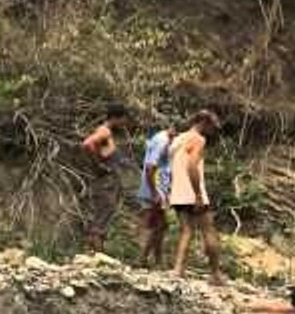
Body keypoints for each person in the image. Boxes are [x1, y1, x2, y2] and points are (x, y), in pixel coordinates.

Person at [169, 110, 223, 284]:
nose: (212, 131)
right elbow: (192, 166)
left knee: (186, 231)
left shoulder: (177, 140)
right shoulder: (198, 139)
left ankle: (178, 270)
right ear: (204, 123)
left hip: (177, 192)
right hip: (191, 192)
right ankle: (215, 274)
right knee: (208, 230)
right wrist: (198, 194)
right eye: (212, 127)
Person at [81, 103, 129, 253]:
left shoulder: (105, 131)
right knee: (104, 211)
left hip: (106, 180)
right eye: (123, 119)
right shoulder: (105, 131)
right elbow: (87, 144)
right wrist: (99, 165)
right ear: (116, 118)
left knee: (103, 212)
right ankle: (97, 251)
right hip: (106, 181)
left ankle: (92, 251)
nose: (124, 123)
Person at [136, 123, 176, 268]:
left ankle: (156, 259)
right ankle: (142, 259)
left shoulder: (163, 138)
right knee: (153, 223)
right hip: (155, 188)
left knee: (160, 224)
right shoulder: (162, 140)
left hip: (158, 187)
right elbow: (150, 167)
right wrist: (155, 192)